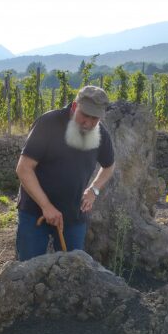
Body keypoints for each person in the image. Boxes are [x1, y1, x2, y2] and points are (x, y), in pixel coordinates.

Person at [15, 85, 115, 261]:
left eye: (95, 118)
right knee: (28, 271)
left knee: (73, 273)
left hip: (74, 215)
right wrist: (46, 206)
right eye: (85, 115)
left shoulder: (101, 134)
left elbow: (109, 166)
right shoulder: (48, 123)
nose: (89, 123)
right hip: (34, 213)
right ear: (75, 107)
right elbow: (24, 169)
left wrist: (94, 190)